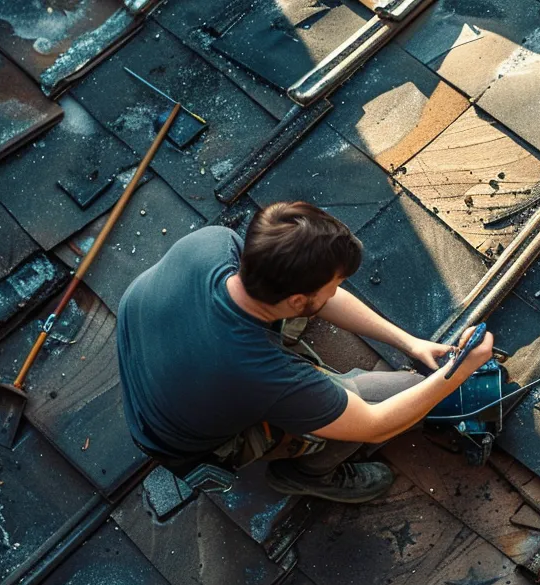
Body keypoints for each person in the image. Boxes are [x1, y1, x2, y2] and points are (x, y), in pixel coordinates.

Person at [116, 201, 495, 503]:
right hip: (189, 441)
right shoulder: (260, 372)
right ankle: (306, 475)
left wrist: (409, 342)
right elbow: (376, 422)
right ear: (296, 298)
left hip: (154, 363)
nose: (337, 290)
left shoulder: (213, 244)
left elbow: (319, 301)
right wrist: (456, 376)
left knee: (292, 335)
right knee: (381, 396)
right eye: (335, 284)